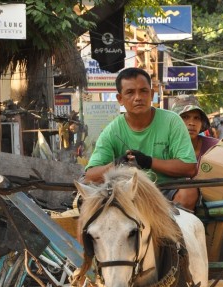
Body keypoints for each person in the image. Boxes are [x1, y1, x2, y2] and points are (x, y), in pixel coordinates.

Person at [84, 67, 198, 210]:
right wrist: (117, 165)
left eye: (143, 91)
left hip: (167, 191)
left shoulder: (172, 121)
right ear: (120, 99)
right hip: (127, 195)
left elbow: (190, 168)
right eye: (130, 92)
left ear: (151, 94)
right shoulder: (112, 131)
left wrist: (148, 162)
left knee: (189, 193)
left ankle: (173, 231)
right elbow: (89, 176)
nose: (138, 97)